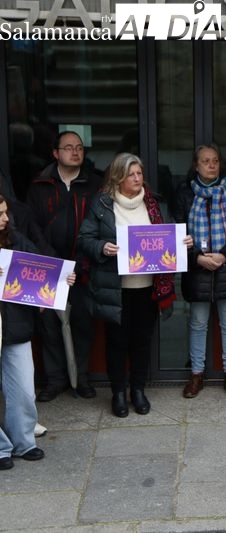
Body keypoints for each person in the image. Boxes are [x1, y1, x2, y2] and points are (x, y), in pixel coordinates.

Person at [78, 153, 189, 417]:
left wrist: (182, 243)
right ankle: (118, 393)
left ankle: (138, 391)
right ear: (118, 176)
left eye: (140, 174)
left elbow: (168, 237)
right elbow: (84, 238)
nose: (138, 179)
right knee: (116, 342)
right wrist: (102, 247)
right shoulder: (103, 204)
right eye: (132, 174)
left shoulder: (155, 205)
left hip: (147, 288)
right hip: (115, 288)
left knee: (142, 341)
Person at [26, 130, 102, 402]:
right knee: (48, 325)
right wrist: (52, 262)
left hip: (83, 267)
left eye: (80, 147)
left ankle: (81, 378)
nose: (75, 152)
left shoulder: (95, 184)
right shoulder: (40, 185)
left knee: (82, 324)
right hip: (48, 268)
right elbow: (31, 227)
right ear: (56, 153)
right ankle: (55, 379)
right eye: (69, 147)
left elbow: (99, 226)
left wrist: (80, 263)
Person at [172, 145, 226, 399]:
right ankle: (196, 374)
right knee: (197, 322)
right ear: (196, 165)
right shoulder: (184, 192)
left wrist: (225, 254)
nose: (211, 165)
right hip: (197, 267)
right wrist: (197, 257)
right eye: (205, 161)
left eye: (215, 161)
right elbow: (177, 230)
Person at [0, 195, 70, 469]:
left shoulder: (15, 238)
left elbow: (40, 268)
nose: (7, 218)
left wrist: (61, 279)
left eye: (6, 212)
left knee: (24, 390)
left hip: (15, 326)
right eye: (1, 214)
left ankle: (23, 441)